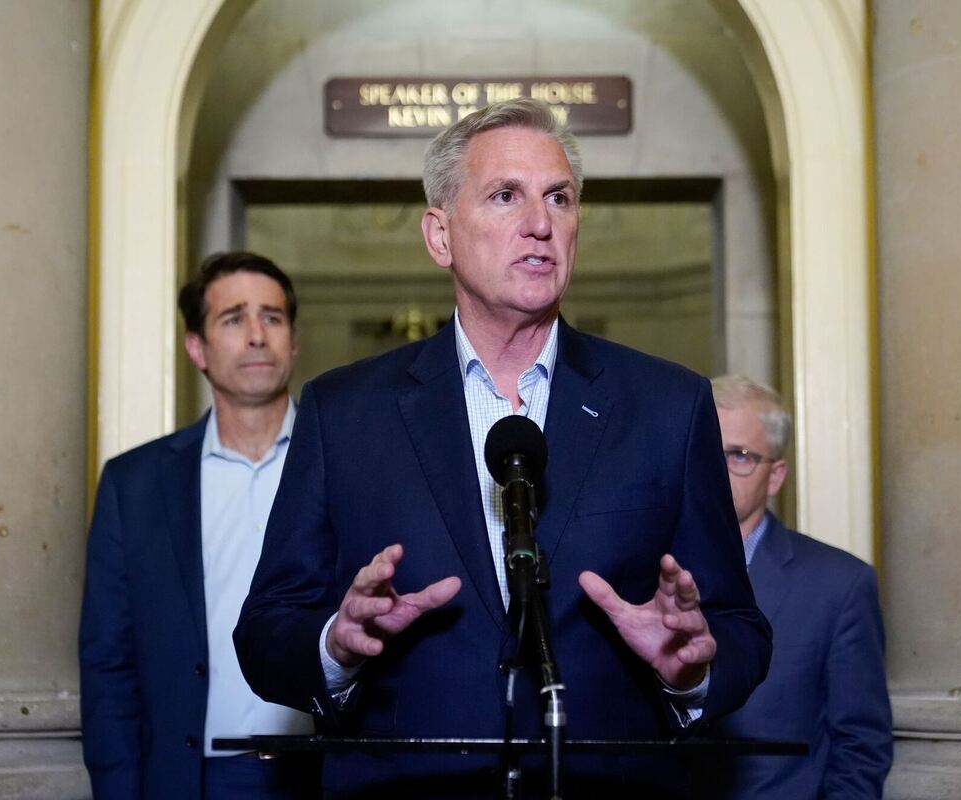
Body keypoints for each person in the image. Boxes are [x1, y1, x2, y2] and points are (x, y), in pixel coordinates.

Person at [234, 99, 771, 797]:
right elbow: (267, 631)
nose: (540, 224)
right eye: (505, 196)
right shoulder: (344, 412)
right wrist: (336, 643)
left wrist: (691, 668)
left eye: (559, 198)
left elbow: (740, 628)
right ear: (440, 236)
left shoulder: (669, 406)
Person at [79, 252, 316, 799]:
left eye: (273, 317)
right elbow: (109, 664)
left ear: (293, 341)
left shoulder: (347, 465)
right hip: (193, 779)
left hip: (320, 773)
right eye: (233, 318)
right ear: (196, 348)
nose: (257, 335)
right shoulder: (134, 486)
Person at [708, 374, 893, 799]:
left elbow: (861, 746)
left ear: (775, 476)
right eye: (703, 451)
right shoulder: (640, 570)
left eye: (738, 456)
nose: (715, 471)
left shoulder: (838, 585)